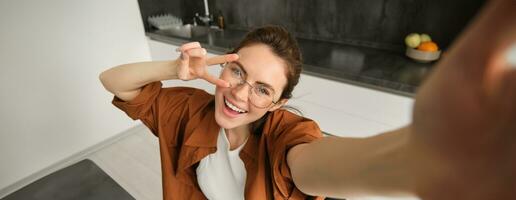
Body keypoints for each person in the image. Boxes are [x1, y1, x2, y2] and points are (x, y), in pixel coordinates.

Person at [99, 0, 516, 199]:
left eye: (263, 89)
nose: (241, 93)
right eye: (237, 72)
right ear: (222, 67)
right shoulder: (190, 108)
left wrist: (420, 159)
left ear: (278, 104)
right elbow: (114, 81)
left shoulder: (287, 135)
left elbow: (314, 164)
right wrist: (174, 70)